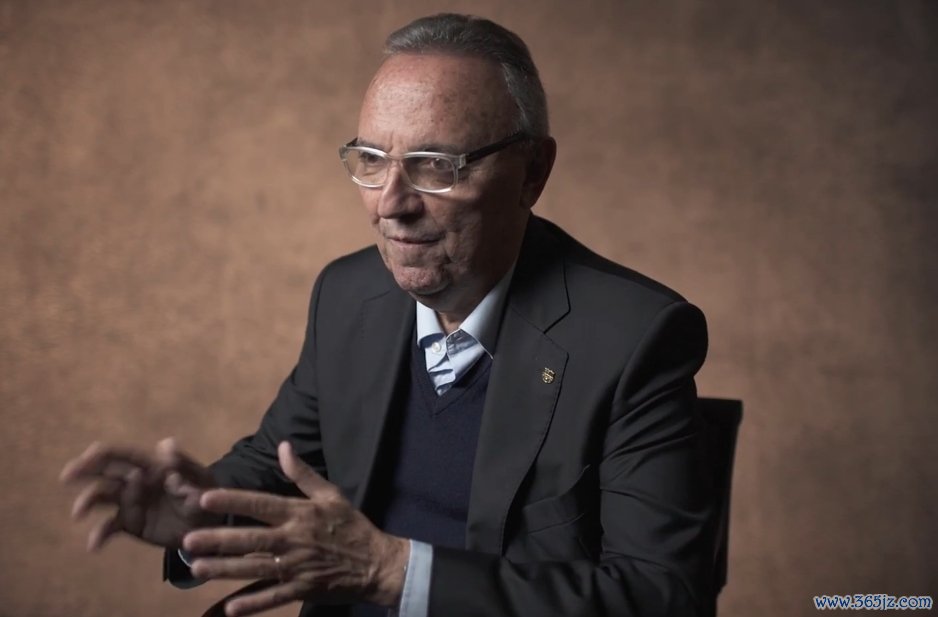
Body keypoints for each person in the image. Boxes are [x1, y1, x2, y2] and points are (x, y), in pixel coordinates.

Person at [61, 13, 713, 617]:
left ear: (532, 172)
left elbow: (660, 596)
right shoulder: (348, 296)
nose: (391, 204)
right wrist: (203, 516)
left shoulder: (634, 338)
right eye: (371, 161)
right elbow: (279, 464)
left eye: (434, 166)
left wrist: (396, 573)